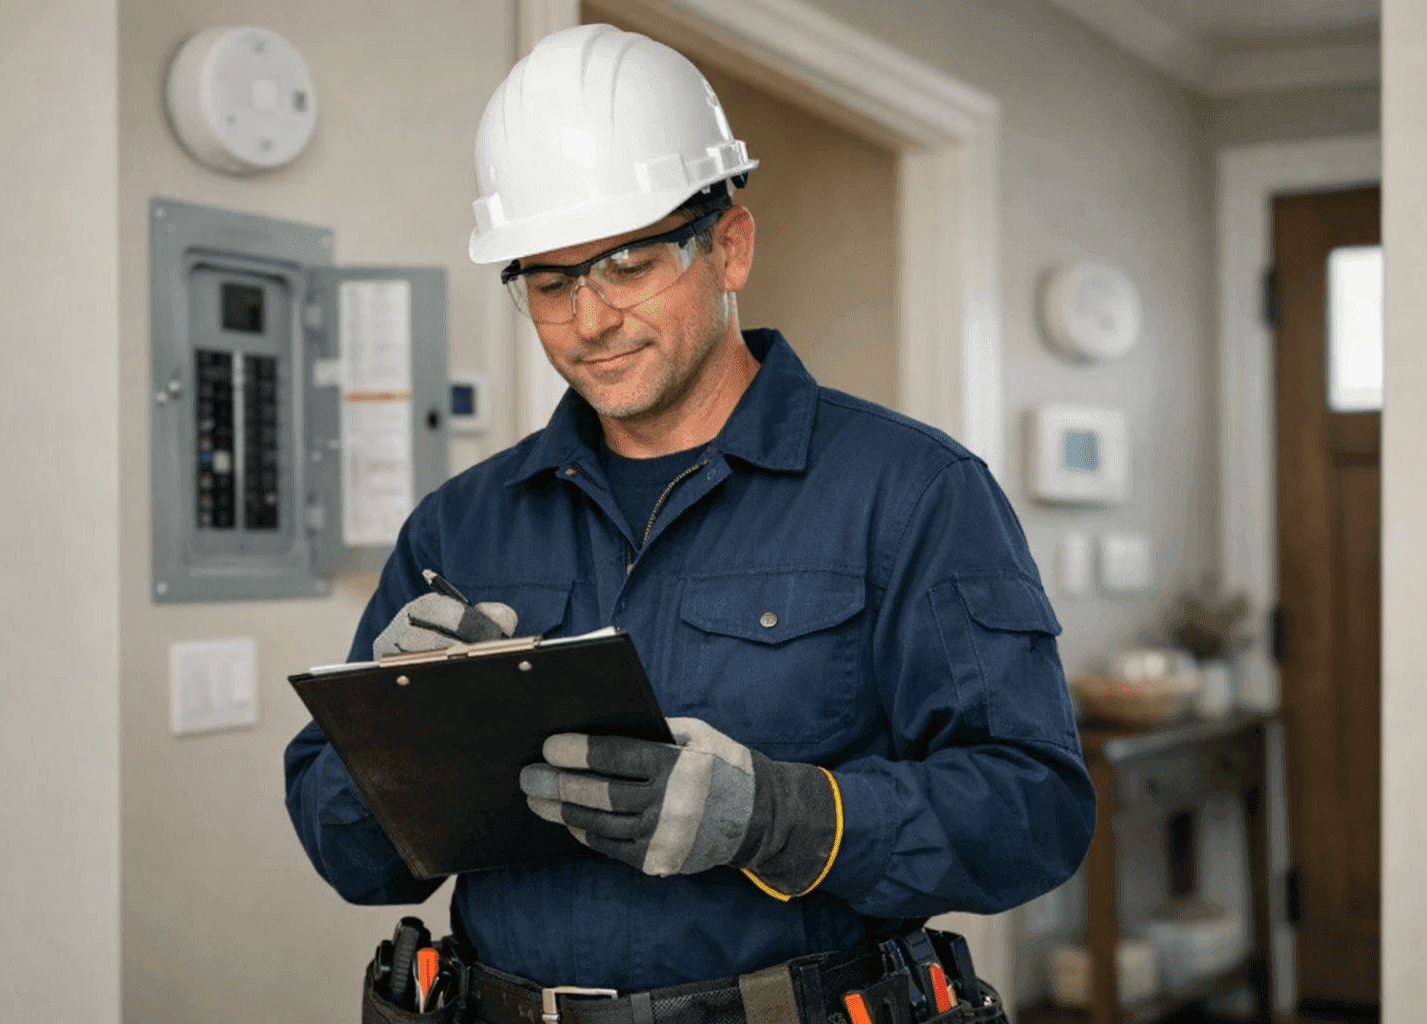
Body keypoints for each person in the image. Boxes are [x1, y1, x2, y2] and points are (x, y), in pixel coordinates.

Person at [286, 20, 1094, 1009]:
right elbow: (352, 860)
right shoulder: (459, 527)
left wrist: (783, 819)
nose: (589, 320)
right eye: (549, 279)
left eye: (628, 264)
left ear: (729, 247)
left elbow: (1037, 811)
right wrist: (398, 738)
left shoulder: (912, 491)